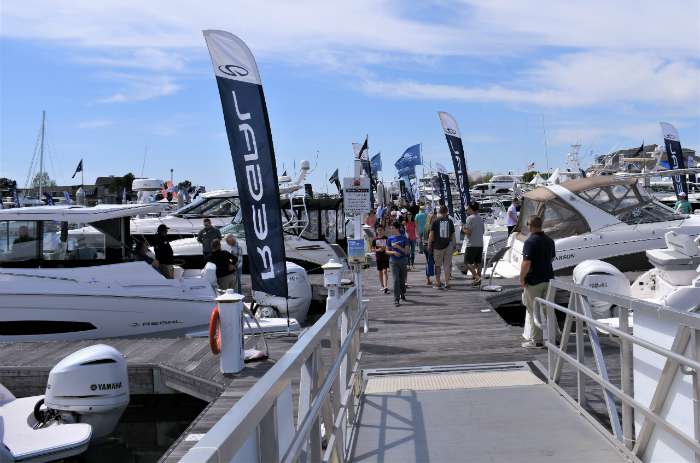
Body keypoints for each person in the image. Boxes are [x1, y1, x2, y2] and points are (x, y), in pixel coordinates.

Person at [520, 215, 556, 348]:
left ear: (531, 225)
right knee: (549, 310)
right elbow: (551, 259)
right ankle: (556, 338)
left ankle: (537, 340)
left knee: (533, 311)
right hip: (549, 279)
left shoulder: (530, 242)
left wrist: (522, 279)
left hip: (534, 281)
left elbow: (526, 263)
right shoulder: (549, 240)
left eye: (527, 224)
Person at [428, 205, 455, 289]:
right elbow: (453, 235)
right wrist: (455, 245)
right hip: (448, 246)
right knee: (447, 265)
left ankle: (438, 282)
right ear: (446, 212)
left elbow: (431, 235)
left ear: (439, 212)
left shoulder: (435, 221)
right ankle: (447, 283)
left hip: (437, 246)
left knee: (438, 265)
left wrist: (429, 245)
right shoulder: (450, 221)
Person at [386, 221, 409, 306]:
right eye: (390, 228)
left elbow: (407, 252)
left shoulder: (404, 238)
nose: (391, 229)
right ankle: (396, 299)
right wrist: (393, 253)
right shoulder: (389, 238)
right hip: (393, 261)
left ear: (397, 228)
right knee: (395, 280)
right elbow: (386, 251)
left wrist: (398, 247)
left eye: (392, 228)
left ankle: (402, 292)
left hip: (402, 261)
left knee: (402, 280)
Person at [463, 202, 485, 287]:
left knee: (467, 262)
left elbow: (468, 232)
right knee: (478, 262)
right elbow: (483, 231)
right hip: (480, 243)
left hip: (471, 244)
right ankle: (478, 279)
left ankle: (477, 277)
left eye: (468, 209)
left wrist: (463, 229)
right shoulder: (480, 218)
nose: (467, 210)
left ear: (471, 209)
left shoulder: (469, 218)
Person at [372, 226, 390, 293]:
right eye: (378, 230)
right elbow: (372, 249)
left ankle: (385, 286)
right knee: (380, 271)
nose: (380, 231)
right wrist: (378, 249)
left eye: (381, 230)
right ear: (376, 231)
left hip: (385, 256)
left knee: (385, 271)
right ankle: (382, 285)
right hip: (378, 257)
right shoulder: (375, 239)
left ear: (383, 231)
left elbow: (389, 246)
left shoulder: (386, 238)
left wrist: (386, 248)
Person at [422, 210, 435, 286]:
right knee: (432, 263)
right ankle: (435, 280)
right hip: (430, 246)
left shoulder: (425, 226)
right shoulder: (431, 227)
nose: (435, 219)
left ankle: (428, 279)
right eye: (433, 218)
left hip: (425, 245)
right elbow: (432, 238)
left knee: (428, 262)